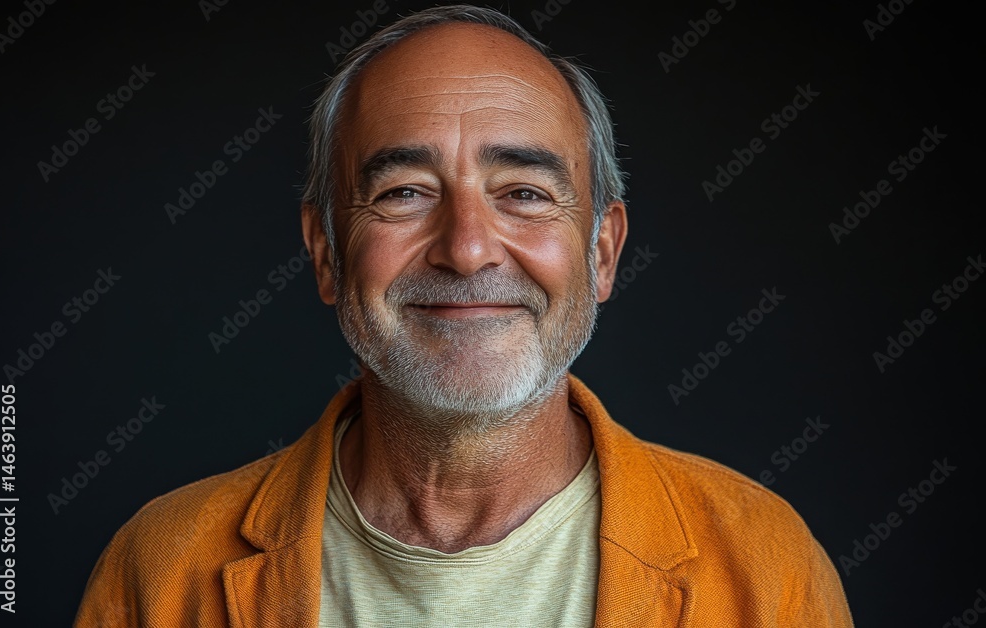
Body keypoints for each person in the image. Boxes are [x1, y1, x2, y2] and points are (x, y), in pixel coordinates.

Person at [74, 5, 853, 626]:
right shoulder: (162, 570)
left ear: (603, 253)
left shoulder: (763, 567)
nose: (468, 248)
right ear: (325, 251)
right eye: (405, 192)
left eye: (523, 193)